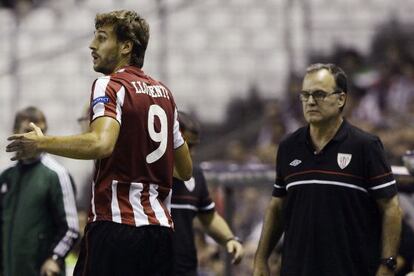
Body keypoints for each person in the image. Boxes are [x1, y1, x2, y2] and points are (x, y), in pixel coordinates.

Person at [6, 10, 192, 276]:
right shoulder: (165, 95)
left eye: (102, 38)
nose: (92, 45)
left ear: (126, 46)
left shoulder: (110, 85)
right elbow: (184, 170)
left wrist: (41, 143)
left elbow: (100, 144)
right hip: (160, 233)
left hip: (116, 227)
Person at [253, 63, 402, 276]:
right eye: (305, 95)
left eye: (320, 94)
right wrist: (260, 260)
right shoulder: (288, 147)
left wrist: (387, 265)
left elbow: (391, 207)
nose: (311, 101)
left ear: (341, 99)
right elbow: (277, 206)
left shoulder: (365, 146)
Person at [0, 106, 79, 276]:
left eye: (40, 132)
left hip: (41, 271)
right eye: (28, 131)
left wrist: (54, 258)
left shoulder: (57, 175)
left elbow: (71, 229)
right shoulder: (6, 177)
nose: (35, 138)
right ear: (15, 132)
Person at [171, 111, 244, 276]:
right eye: (188, 146)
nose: (193, 153)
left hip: (186, 269)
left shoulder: (196, 176)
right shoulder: (147, 174)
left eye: (195, 146)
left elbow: (209, 217)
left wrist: (230, 239)